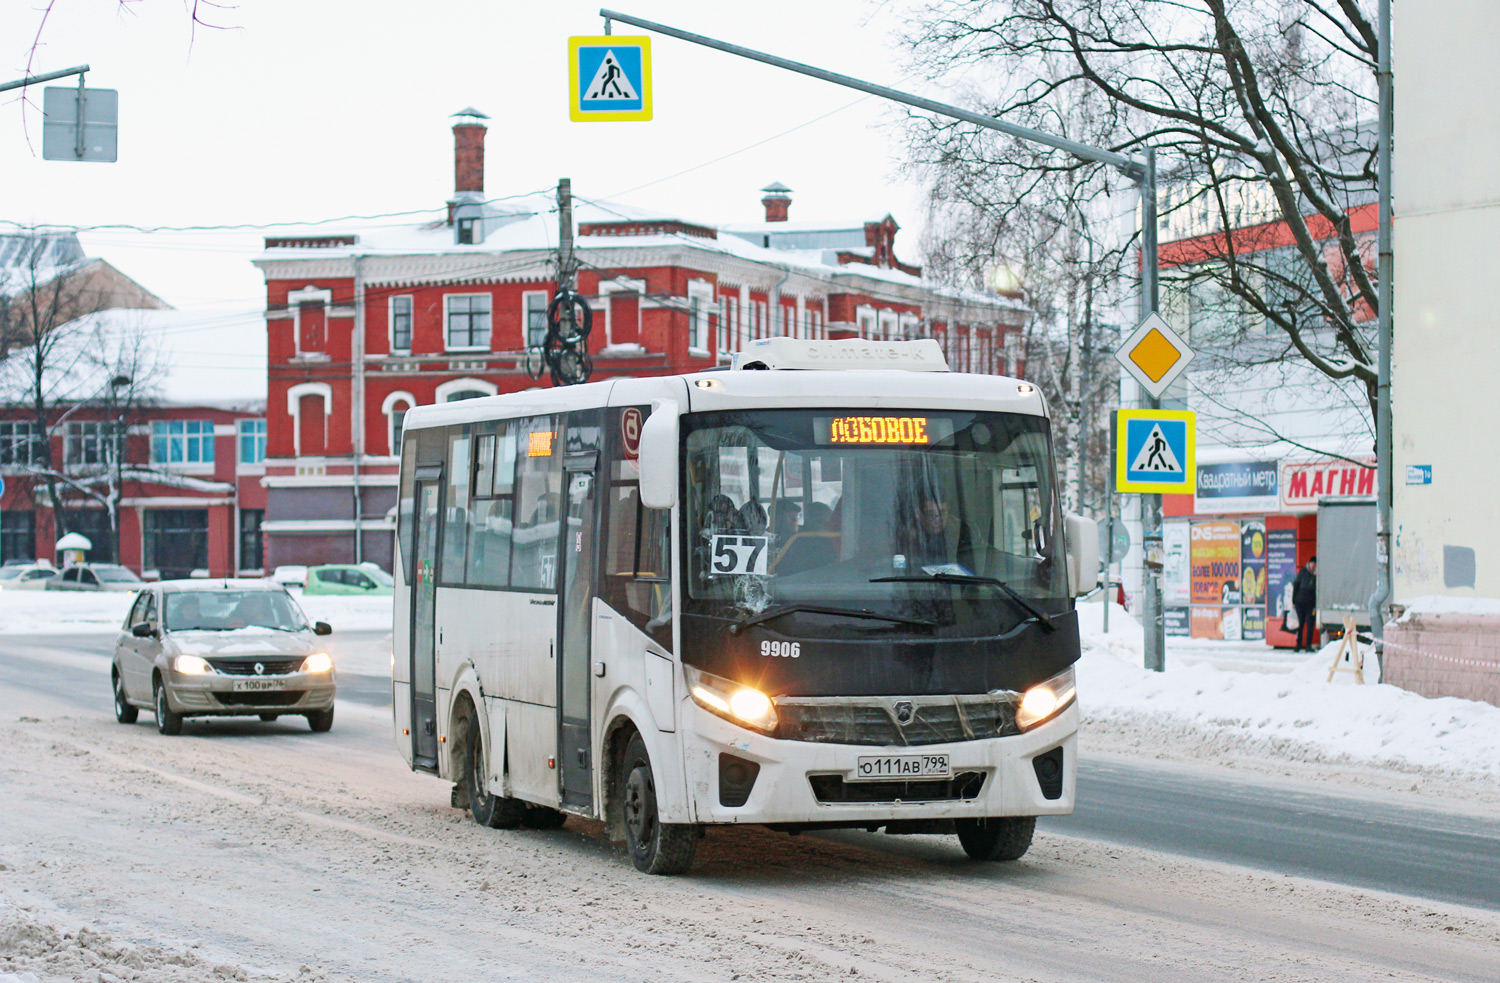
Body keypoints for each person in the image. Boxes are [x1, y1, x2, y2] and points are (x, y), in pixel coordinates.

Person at [1292, 556, 1318, 651]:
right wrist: (1293, 601)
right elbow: (1296, 585)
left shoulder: (1316, 575)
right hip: (1300, 602)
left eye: (1315, 565)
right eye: (1313, 564)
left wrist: (1315, 576)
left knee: (1310, 625)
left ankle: (1308, 645)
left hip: (1311, 604)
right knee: (1300, 624)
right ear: (1309, 563)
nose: (1313, 567)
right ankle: (1298, 644)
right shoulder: (1303, 572)